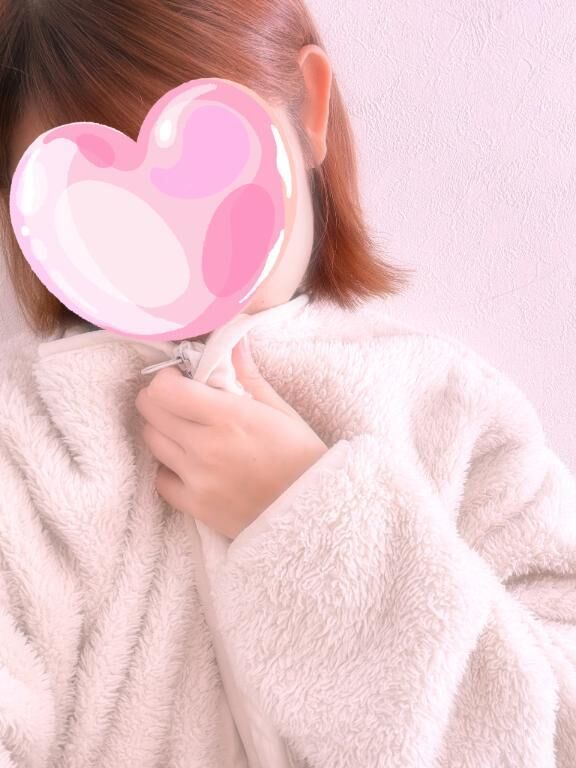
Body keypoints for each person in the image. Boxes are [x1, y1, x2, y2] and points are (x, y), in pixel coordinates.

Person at [0, 1, 575, 767]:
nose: (171, 235)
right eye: (106, 211)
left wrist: (311, 518)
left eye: (209, 171)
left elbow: (550, 732)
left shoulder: (449, 410)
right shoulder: (30, 437)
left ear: (308, 108)